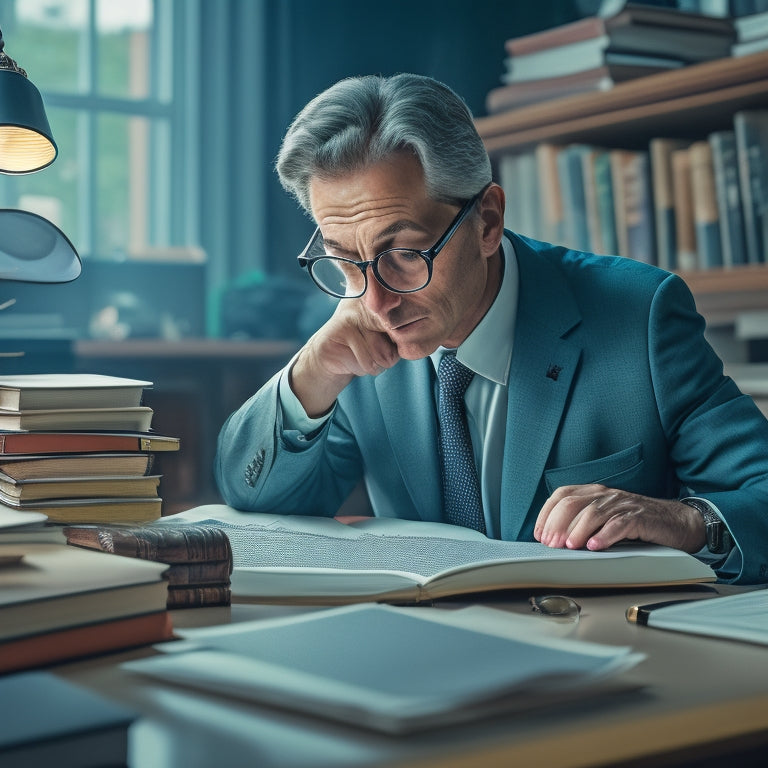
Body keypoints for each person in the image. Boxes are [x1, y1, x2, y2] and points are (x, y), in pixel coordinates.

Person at [214, 73, 768, 584]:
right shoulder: (349, 330)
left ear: (487, 222)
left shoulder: (639, 316)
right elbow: (256, 502)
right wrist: (310, 374)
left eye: (405, 253)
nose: (376, 300)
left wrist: (684, 519)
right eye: (343, 259)